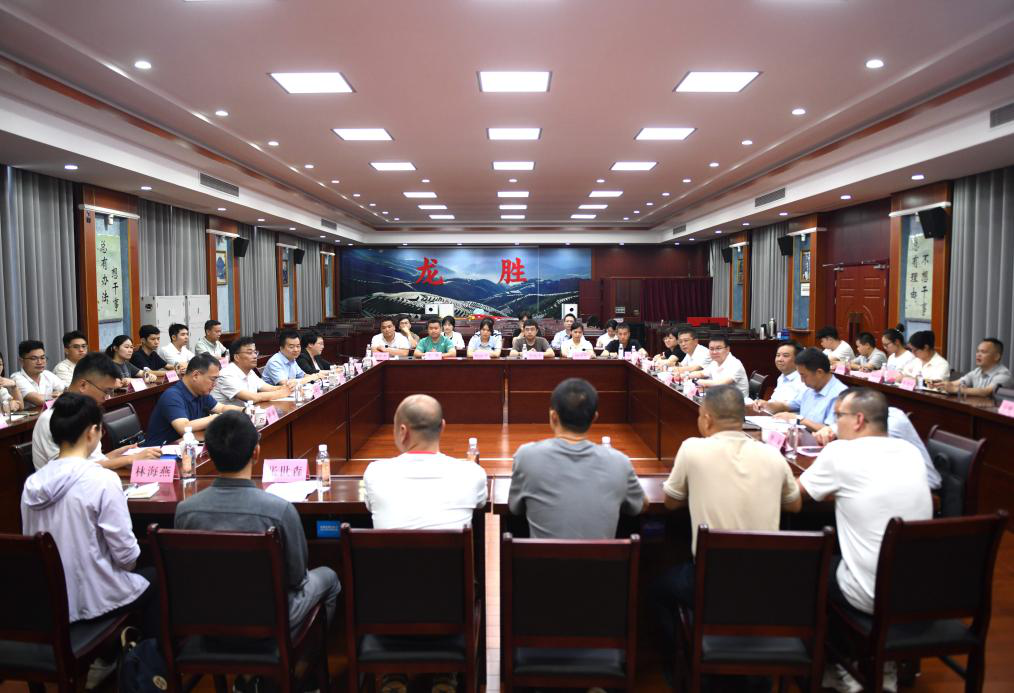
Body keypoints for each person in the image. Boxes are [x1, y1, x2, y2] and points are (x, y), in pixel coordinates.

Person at [655, 386, 801, 677]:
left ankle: (681, 669)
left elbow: (670, 502)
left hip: (709, 580)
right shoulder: (772, 455)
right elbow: (794, 506)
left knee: (658, 589)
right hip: (766, 582)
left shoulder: (693, 449)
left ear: (707, 419)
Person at [175, 411, 341, 636]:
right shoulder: (279, 511)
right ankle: (305, 650)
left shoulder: (185, 511)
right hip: (271, 618)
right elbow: (297, 577)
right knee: (329, 577)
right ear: (256, 452)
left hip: (209, 616)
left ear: (209, 455)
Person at [22, 393, 159, 642]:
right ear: (91, 432)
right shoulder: (101, 479)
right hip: (94, 598)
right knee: (159, 575)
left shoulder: (32, 483)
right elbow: (127, 557)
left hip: (47, 599)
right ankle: (140, 655)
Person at [508, 378, 647, 538]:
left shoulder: (526, 456)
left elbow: (515, 508)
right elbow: (640, 505)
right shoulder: (620, 462)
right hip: (601, 556)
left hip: (544, 556)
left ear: (553, 416)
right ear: (594, 418)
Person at [364, 394, 487, 529]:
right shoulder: (472, 473)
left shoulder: (375, 472)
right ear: (442, 427)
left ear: (403, 431)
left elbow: (370, 505)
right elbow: (481, 503)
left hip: (390, 545)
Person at [32, 353, 161, 470]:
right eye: (106, 391)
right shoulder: (52, 418)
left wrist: (117, 455)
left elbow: (92, 461)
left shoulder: (86, 412)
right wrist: (128, 459)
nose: (107, 398)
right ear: (83, 385)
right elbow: (68, 470)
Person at [814, 400, 940, 490]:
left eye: (840, 415)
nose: (838, 420)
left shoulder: (892, 423)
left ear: (859, 417)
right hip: (892, 485)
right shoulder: (875, 417)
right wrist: (829, 429)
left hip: (923, 488)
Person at [144, 354, 240, 446]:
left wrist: (244, 411)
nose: (215, 384)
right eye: (213, 379)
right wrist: (216, 418)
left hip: (185, 445)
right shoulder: (172, 396)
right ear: (195, 375)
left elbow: (222, 408)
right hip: (159, 452)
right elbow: (183, 427)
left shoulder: (201, 392)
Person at [756, 348, 848, 432]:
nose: (802, 380)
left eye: (803, 375)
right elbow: (787, 405)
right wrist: (767, 405)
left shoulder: (841, 395)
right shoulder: (810, 388)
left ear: (819, 372)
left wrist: (799, 420)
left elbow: (832, 432)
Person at [212, 337, 294, 406]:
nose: (255, 356)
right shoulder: (226, 375)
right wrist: (283, 393)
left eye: (255, 352)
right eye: (249, 353)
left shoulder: (250, 371)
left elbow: (270, 388)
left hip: (246, 414)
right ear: (237, 357)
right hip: (227, 418)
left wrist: (288, 387)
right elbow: (252, 398)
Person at [939, 338, 1010, 397]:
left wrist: (956, 389)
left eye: (983, 352)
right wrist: (940, 384)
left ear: (996, 356)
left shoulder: (1004, 374)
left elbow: (987, 392)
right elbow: (955, 383)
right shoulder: (977, 371)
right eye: (977, 351)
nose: (978, 355)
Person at [11, 339, 65, 408]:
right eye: (34, 358)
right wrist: (54, 396)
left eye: (42, 358)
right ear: (21, 361)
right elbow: (39, 401)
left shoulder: (47, 374)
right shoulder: (16, 378)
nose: (39, 362)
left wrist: (61, 395)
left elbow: (67, 390)